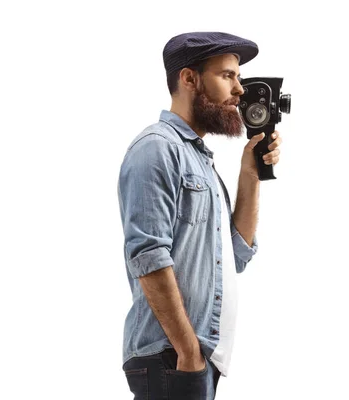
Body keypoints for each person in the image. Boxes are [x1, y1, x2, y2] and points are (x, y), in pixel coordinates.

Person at [117, 31, 282, 399]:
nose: (240, 90)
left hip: (197, 358)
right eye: (228, 76)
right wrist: (188, 353)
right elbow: (148, 256)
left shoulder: (200, 160)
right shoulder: (157, 149)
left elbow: (236, 253)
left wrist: (249, 174)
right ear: (189, 79)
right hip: (172, 357)